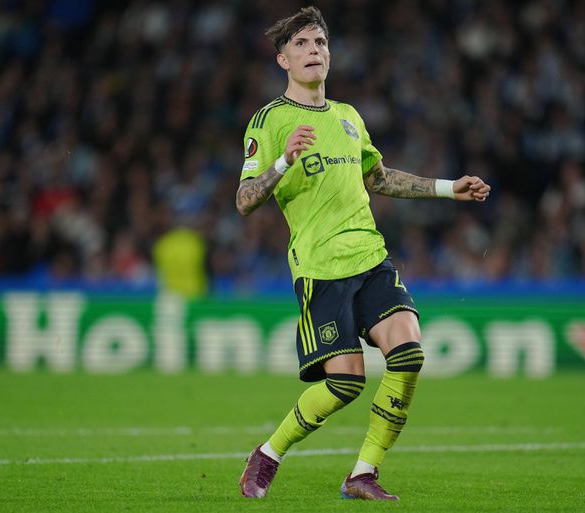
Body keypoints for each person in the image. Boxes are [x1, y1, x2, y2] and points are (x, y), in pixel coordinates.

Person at [236, 6, 491, 501]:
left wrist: (448, 188)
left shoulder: (348, 117)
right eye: (302, 44)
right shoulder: (269, 121)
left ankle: (363, 474)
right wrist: (283, 161)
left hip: (371, 259)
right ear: (283, 59)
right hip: (320, 269)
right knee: (345, 383)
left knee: (409, 354)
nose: (314, 51)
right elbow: (245, 201)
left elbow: (380, 178)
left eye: (321, 42)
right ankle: (268, 454)